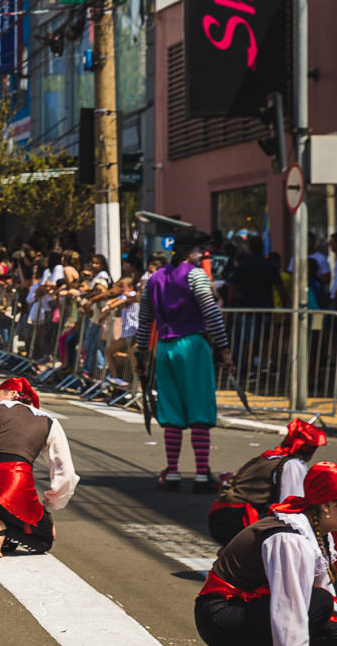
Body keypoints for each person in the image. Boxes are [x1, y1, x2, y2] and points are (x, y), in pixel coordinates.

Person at [195, 461, 337, 645]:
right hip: (221, 614)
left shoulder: (319, 531)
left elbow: (324, 589)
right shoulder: (290, 538)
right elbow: (288, 610)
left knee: (328, 619)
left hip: (252, 608)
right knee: (319, 602)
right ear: (326, 506)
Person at [134, 231, 233, 492]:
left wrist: (141, 353)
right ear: (190, 253)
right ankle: (201, 474)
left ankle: (173, 472)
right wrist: (224, 349)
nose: (202, 256)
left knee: (172, 411)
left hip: (164, 347)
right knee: (199, 409)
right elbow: (211, 313)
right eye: (200, 251)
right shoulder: (196, 275)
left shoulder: (153, 279)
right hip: (192, 345)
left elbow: (144, 320)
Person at [0, 377, 78, 557]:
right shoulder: (49, 421)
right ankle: (1, 530)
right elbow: (66, 474)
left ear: (13, 393)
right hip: (13, 485)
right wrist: (48, 508)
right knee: (43, 541)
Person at [208, 417, 326, 546]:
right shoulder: (292, 464)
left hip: (220, 515)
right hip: (237, 518)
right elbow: (291, 503)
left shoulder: (271, 456)